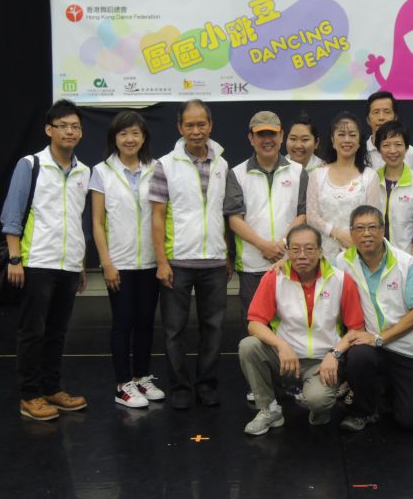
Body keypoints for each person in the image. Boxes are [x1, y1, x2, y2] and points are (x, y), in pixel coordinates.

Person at [1, 99, 90, 421]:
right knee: (32, 332)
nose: (70, 131)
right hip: (37, 260)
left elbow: (77, 219)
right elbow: (12, 213)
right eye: (63, 126)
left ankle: (52, 388)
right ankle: (29, 395)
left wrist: (81, 263)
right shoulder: (31, 164)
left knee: (57, 331)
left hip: (69, 264)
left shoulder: (83, 171)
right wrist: (14, 258)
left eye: (75, 126)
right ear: (49, 130)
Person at [238, 224, 364, 435]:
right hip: (286, 358)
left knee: (318, 400)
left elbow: (356, 328)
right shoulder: (274, 277)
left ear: (321, 251)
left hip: (322, 363)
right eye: (295, 249)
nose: (302, 255)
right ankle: (269, 410)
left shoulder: (341, 280)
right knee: (248, 346)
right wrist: (281, 345)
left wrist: (334, 354)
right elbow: (254, 322)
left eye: (309, 249)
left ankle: (319, 407)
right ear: (287, 252)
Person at [149, 99, 230, 410]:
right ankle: (180, 387)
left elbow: (223, 214)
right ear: (179, 128)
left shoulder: (222, 164)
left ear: (211, 125)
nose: (196, 131)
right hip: (178, 262)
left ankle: (207, 385)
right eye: (190, 125)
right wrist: (161, 261)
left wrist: (226, 254)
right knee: (174, 331)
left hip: (214, 262)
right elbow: (157, 216)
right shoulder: (165, 165)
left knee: (214, 329)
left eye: (202, 124)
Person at [90, 110, 164, 409]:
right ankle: (123, 385)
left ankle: (141, 376)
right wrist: (106, 262)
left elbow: (161, 215)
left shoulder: (156, 168)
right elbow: (97, 222)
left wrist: (162, 259)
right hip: (118, 262)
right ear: (114, 138)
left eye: (135, 133)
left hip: (149, 261)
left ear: (144, 137)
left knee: (146, 322)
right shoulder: (101, 171)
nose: (129, 139)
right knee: (123, 322)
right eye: (123, 133)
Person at [337, 206, 413, 431]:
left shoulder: (407, 264)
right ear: (351, 233)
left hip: (406, 350)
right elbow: (314, 269)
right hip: (370, 348)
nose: (366, 234)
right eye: (360, 228)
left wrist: (380, 337)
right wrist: (284, 262)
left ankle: (386, 389)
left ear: (383, 230)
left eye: (372, 227)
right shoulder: (342, 262)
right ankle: (363, 411)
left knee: (411, 420)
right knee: (358, 356)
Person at [225, 111, 307, 327]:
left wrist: (282, 244)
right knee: (256, 326)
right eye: (261, 134)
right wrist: (264, 246)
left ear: (281, 136)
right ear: (251, 138)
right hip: (252, 266)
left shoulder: (298, 172)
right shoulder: (237, 173)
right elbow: (234, 220)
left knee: (292, 325)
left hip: (290, 261)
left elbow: (303, 214)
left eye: (272, 134)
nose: (267, 140)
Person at [306, 111, 382, 262]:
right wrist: (338, 234)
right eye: (341, 135)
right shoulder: (318, 174)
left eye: (352, 135)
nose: (347, 140)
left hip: (358, 255)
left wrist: (354, 239)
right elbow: (312, 217)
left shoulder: (369, 176)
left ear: (359, 141)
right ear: (332, 140)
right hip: (322, 256)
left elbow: (373, 219)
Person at [375, 120, 413, 258]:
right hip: (377, 260)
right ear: (379, 150)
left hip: (407, 258)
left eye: (398, 144)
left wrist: (412, 263)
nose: (393, 150)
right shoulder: (372, 180)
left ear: (406, 148)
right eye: (386, 145)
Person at [365, 91, 413, 176]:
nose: (381, 117)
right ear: (368, 119)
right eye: (376, 112)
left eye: (387, 112)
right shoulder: (360, 152)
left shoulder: (410, 153)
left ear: (395, 117)